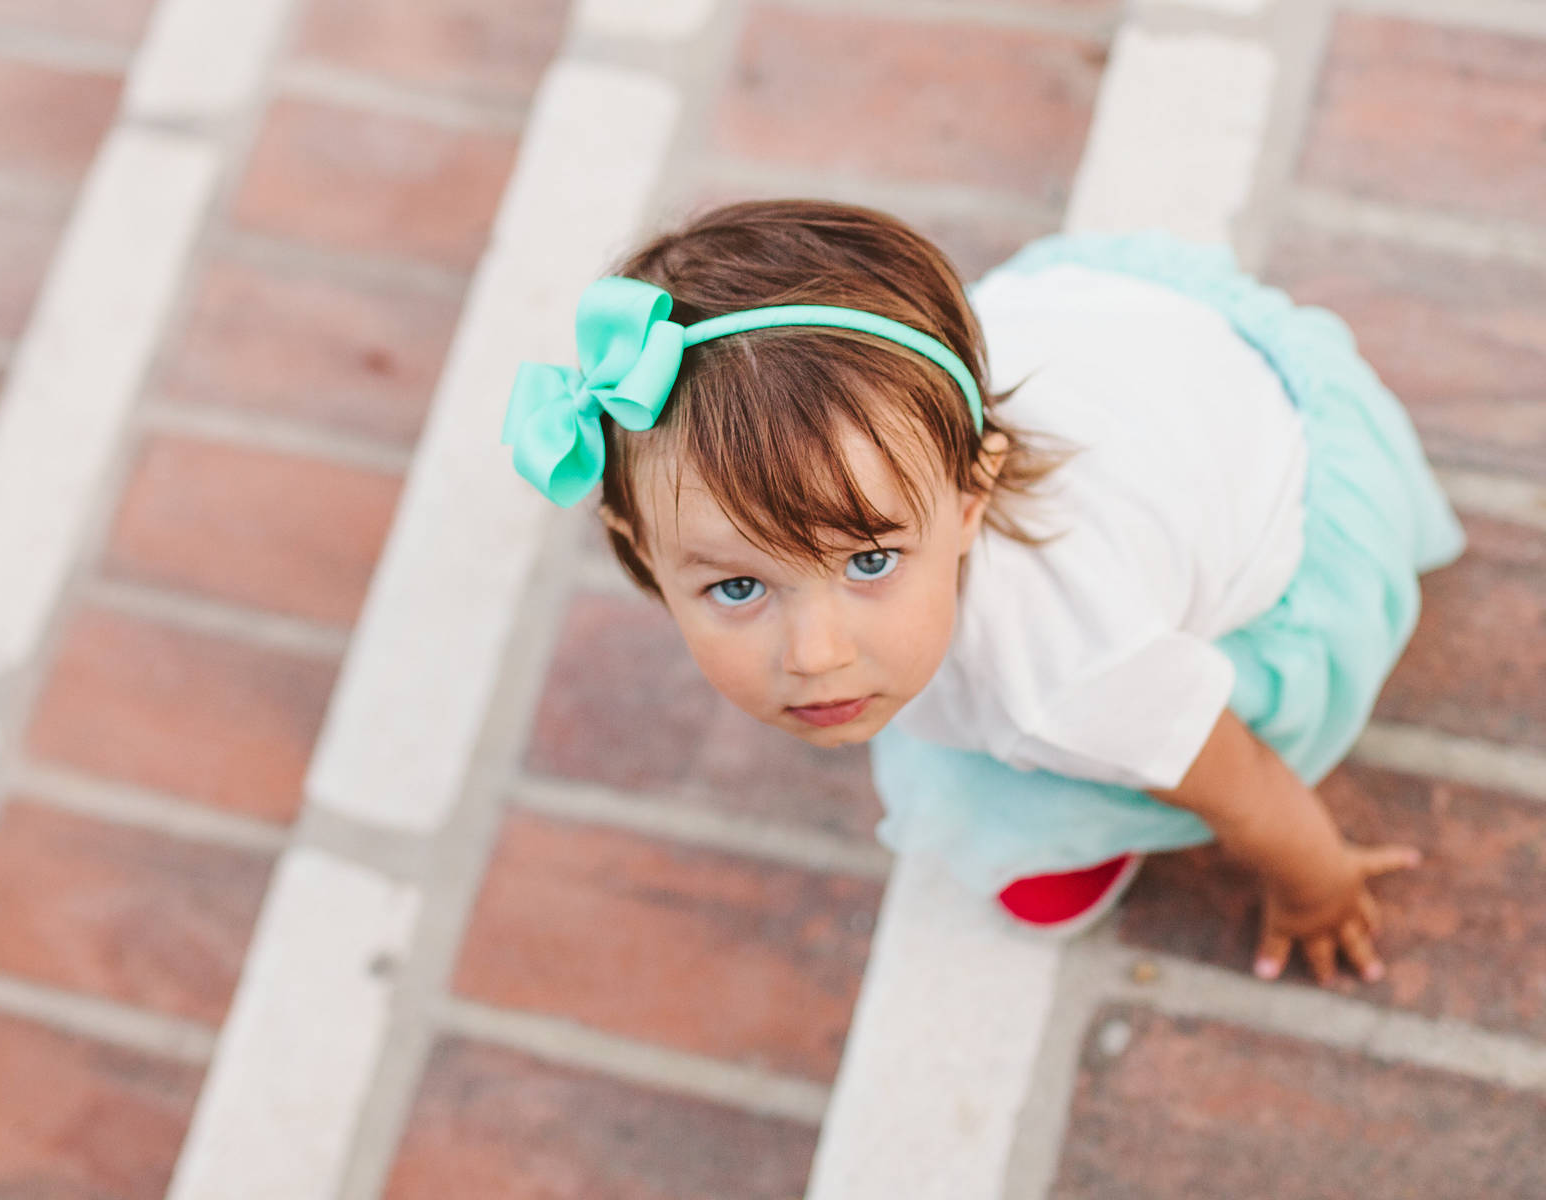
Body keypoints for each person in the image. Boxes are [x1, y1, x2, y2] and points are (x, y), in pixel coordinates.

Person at [499, 198, 1464, 986]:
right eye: (740, 585)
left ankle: (1087, 835)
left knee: (1015, 793)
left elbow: (1243, 779)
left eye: (869, 562)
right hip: (1119, 337)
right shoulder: (902, 438)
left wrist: (1317, 885)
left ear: (971, 496)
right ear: (638, 546)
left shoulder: (1070, 673)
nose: (816, 652)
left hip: (1272, 464)